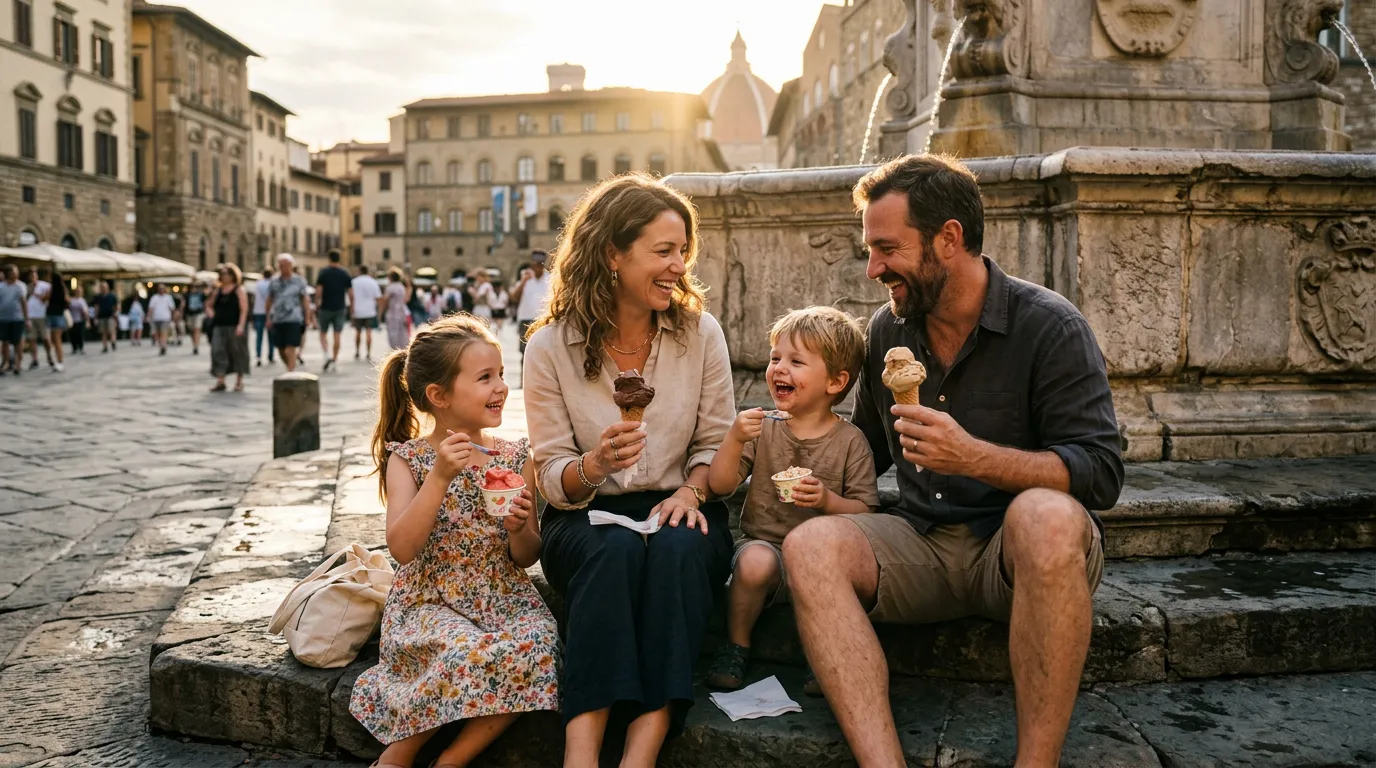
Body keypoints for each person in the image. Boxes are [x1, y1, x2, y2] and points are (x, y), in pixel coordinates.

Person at [781, 155, 1124, 768]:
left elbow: (1099, 472)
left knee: (1046, 515)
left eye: (887, 249)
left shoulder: (1049, 326)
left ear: (948, 239)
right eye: (870, 250)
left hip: (1013, 551)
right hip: (921, 544)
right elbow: (861, 445)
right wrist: (762, 447)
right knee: (811, 548)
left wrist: (973, 457)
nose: (872, 269)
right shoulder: (890, 329)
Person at [523, 174, 735, 766]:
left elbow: (717, 445)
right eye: (663, 251)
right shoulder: (549, 347)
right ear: (613, 254)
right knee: (611, 553)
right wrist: (592, 465)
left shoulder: (700, 333)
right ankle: (581, 755)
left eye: (683, 251)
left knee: (675, 553)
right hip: (585, 512)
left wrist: (693, 492)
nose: (678, 265)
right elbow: (551, 477)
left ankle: (641, 751)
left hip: (681, 502)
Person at [349, 314, 559, 768]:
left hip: (501, 595)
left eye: (501, 374)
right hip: (430, 601)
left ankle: (452, 761)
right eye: (485, 378)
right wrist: (440, 477)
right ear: (439, 396)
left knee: (539, 645)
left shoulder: (513, 456)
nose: (501, 386)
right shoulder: (411, 459)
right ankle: (397, 757)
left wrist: (520, 527)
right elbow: (402, 549)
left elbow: (525, 557)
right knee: (463, 651)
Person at [704, 306, 879, 693]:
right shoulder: (762, 427)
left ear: (835, 381)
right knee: (753, 562)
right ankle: (736, 646)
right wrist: (734, 438)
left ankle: (824, 654)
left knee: (823, 574)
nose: (779, 368)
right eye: (775, 358)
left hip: (820, 559)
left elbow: (866, 512)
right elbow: (719, 485)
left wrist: (827, 501)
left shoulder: (851, 442)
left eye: (796, 361)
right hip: (764, 545)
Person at [206, 263, 250, 392]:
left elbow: (244, 309)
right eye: (222, 274)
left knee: (237, 352)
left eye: (226, 274)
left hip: (234, 325)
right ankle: (221, 381)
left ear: (233, 275)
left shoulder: (239, 289)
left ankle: (239, 381)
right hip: (219, 325)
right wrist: (210, 312)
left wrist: (241, 325)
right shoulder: (217, 290)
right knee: (217, 351)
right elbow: (208, 304)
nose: (223, 276)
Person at [265, 253, 312, 372]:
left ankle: (291, 372)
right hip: (278, 318)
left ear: (291, 265)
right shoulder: (274, 281)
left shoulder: (299, 280)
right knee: (281, 348)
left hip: (294, 318)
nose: (283, 267)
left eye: (286, 264)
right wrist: (268, 318)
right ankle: (290, 368)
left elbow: (305, 300)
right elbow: (269, 300)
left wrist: (307, 317)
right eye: (281, 265)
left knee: (290, 348)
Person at [315, 250, 353, 371]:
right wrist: (352, 307)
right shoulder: (344, 273)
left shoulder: (323, 273)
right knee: (337, 334)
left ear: (329, 259)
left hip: (325, 307)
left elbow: (319, 291)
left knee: (322, 333)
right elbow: (351, 293)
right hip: (340, 307)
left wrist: (317, 304)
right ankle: (335, 359)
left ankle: (326, 354)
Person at [510, 250, 551, 355]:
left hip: (543, 320)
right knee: (525, 352)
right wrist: (523, 281)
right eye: (536, 264)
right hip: (525, 319)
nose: (538, 267)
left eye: (540, 265)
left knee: (542, 352)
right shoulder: (525, 277)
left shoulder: (549, 279)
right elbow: (514, 297)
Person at [350, 265, 382, 360]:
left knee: (357, 332)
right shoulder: (373, 282)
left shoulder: (354, 282)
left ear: (359, 271)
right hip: (370, 311)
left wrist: (351, 310)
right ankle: (368, 353)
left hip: (357, 310)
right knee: (369, 332)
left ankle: (357, 351)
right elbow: (377, 297)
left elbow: (350, 296)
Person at [0, 265, 27, 375]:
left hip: (17, 318)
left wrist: (27, 319)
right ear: (9, 274)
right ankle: (6, 363)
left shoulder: (20, 286)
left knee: (17, 342)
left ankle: (17, 364)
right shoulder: (1, 286)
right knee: (4, 341)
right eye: (15, 272)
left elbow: (23, 302)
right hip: (3, 318)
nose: (17, 274)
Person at [25, 268, 54, 370]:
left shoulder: (45, 285)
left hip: (42, 315)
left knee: (46, 338)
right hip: (30, 316)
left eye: (34, 274)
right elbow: (24, 301)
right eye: (30, 275)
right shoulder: (26, 287)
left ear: (37, 275)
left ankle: (49, 357)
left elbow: (47, 298)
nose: (33, 276)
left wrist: (38, 295)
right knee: (32, 339)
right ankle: (34, 359)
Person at [44, 269, 68, 372]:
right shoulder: (63, 289)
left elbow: (45, 298)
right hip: (59, 314)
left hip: (53, 315)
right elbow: (67, 301)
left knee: (55, 340)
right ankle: (59, 361)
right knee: (57, 340)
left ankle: (59, 361)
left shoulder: (51, 289)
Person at [382, 268, 410, 350]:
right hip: (402, 312)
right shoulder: (401, 287)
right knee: (401, 333)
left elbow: (385, 300)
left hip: (392, 313)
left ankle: (394, 349)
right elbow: (405, 300)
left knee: (392, 333)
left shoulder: (390, 287)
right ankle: (401, 349)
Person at [252, 266, 275, 366]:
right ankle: (270, 355)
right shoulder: (273, 284)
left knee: (259, 335)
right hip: (271, 312)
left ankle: (258, 356)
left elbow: (253, 298)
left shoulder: (258, 284)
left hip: (258, 311)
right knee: (271, 336)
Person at [147, 283, 176, 356]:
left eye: (162, 288)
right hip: (156, 318)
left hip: (165, 318)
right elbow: (151, 308)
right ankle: (161, 346)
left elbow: (172, 308)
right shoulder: (154, 298)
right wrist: (149, 316)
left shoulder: (168, 297)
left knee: (163, 332)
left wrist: (173, 317)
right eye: (160, 288)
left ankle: (163, 346)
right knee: (158, 334)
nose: (161, 290)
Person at [93, 281, 118, 353]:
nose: (103, 289)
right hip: (102, 316)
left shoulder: (112, 296)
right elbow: (96, 307)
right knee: (103, 332)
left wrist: (115, 313)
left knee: (112, 330)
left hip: (110, 315)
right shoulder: (98, 297)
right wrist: (96, 316)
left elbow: (116, 306)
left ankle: (113, 341)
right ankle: (105, 346)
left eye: (104, 287)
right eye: (102, 287)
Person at [185, 281, 208, 354]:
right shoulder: (187, 295)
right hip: (189, 314)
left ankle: (196, 346)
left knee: (196, 329)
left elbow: (206, 303)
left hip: (199, 313)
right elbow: (183, 304)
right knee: (192, 330)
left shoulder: (201, 295)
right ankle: (194, 344)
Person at [67, 285, 89, 355]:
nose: (78, 292)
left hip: (80, 320)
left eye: (80, 291)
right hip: (72, 320)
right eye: (77, 291)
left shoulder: (82, 301)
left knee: (80, 334)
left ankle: (81, 347)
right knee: (72, 335)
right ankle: (74, 348)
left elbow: (85, 311)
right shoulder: (71, 300)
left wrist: (87, 321)